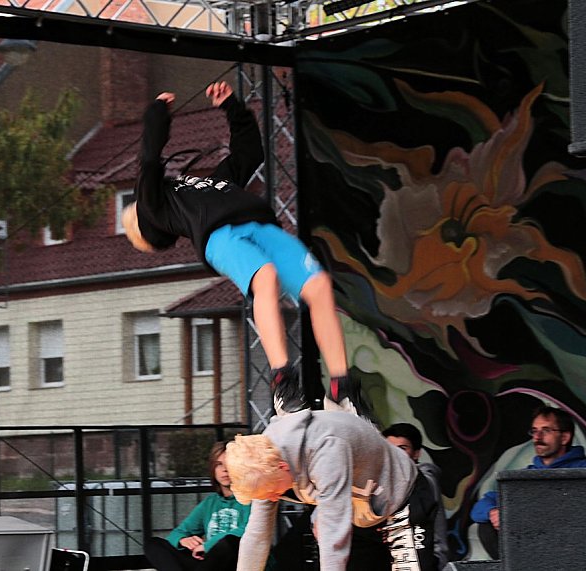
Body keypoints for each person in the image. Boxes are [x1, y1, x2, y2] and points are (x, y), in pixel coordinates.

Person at [121, 81, 370, 417]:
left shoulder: (208, 185)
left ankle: (343, 387)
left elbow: (249, 153)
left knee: (319, 286)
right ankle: (283, 381)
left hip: (261, 226)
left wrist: (232, 107)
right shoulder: (154, 206)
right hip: (221, 237)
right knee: (264, 277)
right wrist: (156, 114)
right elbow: (149, 159)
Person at [225, 409, 430, 571]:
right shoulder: (260, 462)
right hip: (358, 510)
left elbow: (333, 534)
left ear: (283, 467)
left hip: (401, 498)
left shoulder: (326, 449)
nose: (272, 499)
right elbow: (257, 534)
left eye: (273, 493)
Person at [470, 405, 586, 559]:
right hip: (529, 554)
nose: (537, 437)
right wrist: (492, 512)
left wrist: (516, 514)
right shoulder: (526, 475)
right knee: (486, 526)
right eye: (534, 431)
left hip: (568, 555)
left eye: (546, 430)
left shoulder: (584, 472)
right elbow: (479, 507)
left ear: (564, 438)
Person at [143, 441, 251, 570]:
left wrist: (207, 546)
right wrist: (183, 540)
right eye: (218, 464)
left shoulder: (252, 499)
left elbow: (248, 530)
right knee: (153, 545)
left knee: (229, 542)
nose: (225, 470)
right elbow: (177, 533)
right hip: (207, 563)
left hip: (238, 563)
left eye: (230, 464)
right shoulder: (210, 503)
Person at [383, 423, 449, 570]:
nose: (395, 454)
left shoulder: (426, 480)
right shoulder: (378, 480)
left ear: (416, 453)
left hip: (424, 560)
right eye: (389, 448)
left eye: (402, 448)